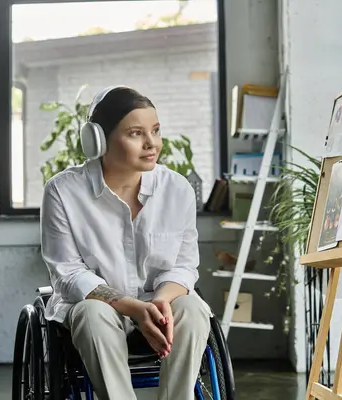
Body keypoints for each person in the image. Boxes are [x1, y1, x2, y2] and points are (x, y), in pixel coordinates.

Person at [40, 85, 211, 400]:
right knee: (93, 314)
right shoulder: (63, 192)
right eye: (136, 133)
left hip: (157, 303)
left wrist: (159, 301)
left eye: (156, 131)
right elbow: (68, 274)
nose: (152, 144)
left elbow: (184, 266)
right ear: (98, 140)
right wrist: (132, 308)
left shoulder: (178, 189)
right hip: (97, 309)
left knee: (193, 308)